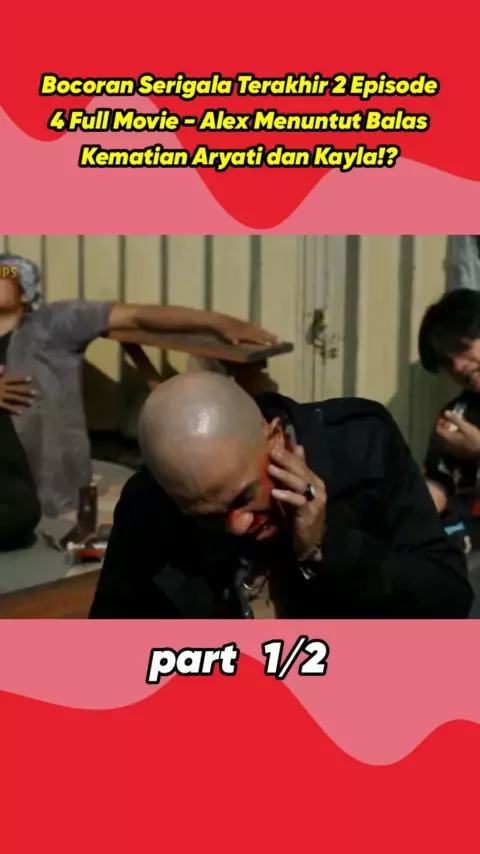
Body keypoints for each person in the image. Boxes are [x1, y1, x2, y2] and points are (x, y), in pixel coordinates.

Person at [89, 371, 472, 619]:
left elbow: (448, 597)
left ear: (275, 439)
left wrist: (326, 547)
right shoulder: (150, 503)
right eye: (208, 517)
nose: (238, 525)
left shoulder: (360, 447)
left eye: (243, 497)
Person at [0, 253, 277, 547]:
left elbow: (136, 315)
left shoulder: (50, 324)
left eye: (5, 272)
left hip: (32, 477)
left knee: (22, 514)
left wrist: (219, 323)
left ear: (25, 290)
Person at [419, 288, 480, 550]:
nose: (458, 367)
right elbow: (437, 485)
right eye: (447, 361)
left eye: (462, 348)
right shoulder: (457, 416)